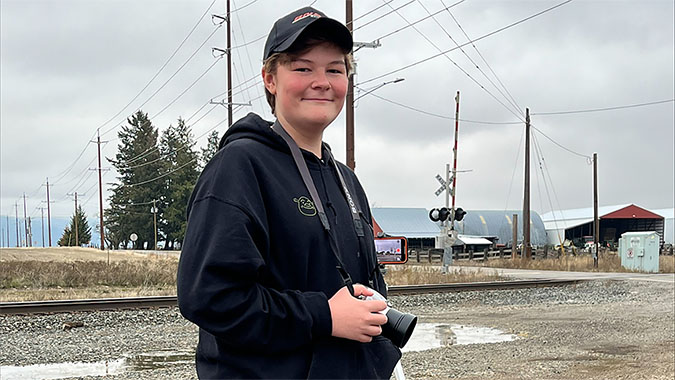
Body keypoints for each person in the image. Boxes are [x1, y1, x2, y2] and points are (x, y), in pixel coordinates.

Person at [177, 6, 402, 379]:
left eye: (335, 69)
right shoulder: (240, 167)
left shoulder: (346, 180)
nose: (322, 81)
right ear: (270, 79)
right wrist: (324, 316)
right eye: (302, 68)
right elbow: (210, 296)